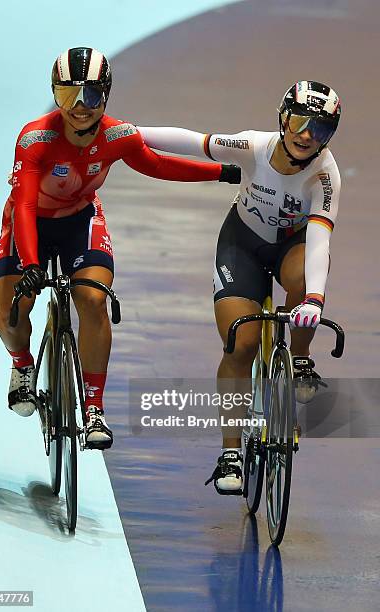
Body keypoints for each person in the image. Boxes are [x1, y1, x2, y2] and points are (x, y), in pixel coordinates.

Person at [0, 47, 239, 449]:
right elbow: (23, 204)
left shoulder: (117, 135)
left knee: (92, 299)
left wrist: (223, 172)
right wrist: (32, 263)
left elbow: (157, 165)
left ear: (106, 95)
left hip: (80, 220)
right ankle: (22, 365)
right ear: (55, 95)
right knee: (10, 314)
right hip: (30, 222)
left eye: (89, 96)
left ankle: (93, 407)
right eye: (68, 95)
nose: (79, 107)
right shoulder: (35, 138)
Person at [138, 80, 341, 493]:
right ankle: (230, 453)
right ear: (284, 119)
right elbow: (193, 142)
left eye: (319, 129)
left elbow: (320, 241)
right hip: (242, 244)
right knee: (241, 344)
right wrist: (128, 132)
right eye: (300, 122)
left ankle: (299, 358)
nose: (306, 135)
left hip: (293, 247)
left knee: (302, 285)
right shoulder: (252, 147)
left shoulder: (325, 176)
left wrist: (315, 301)